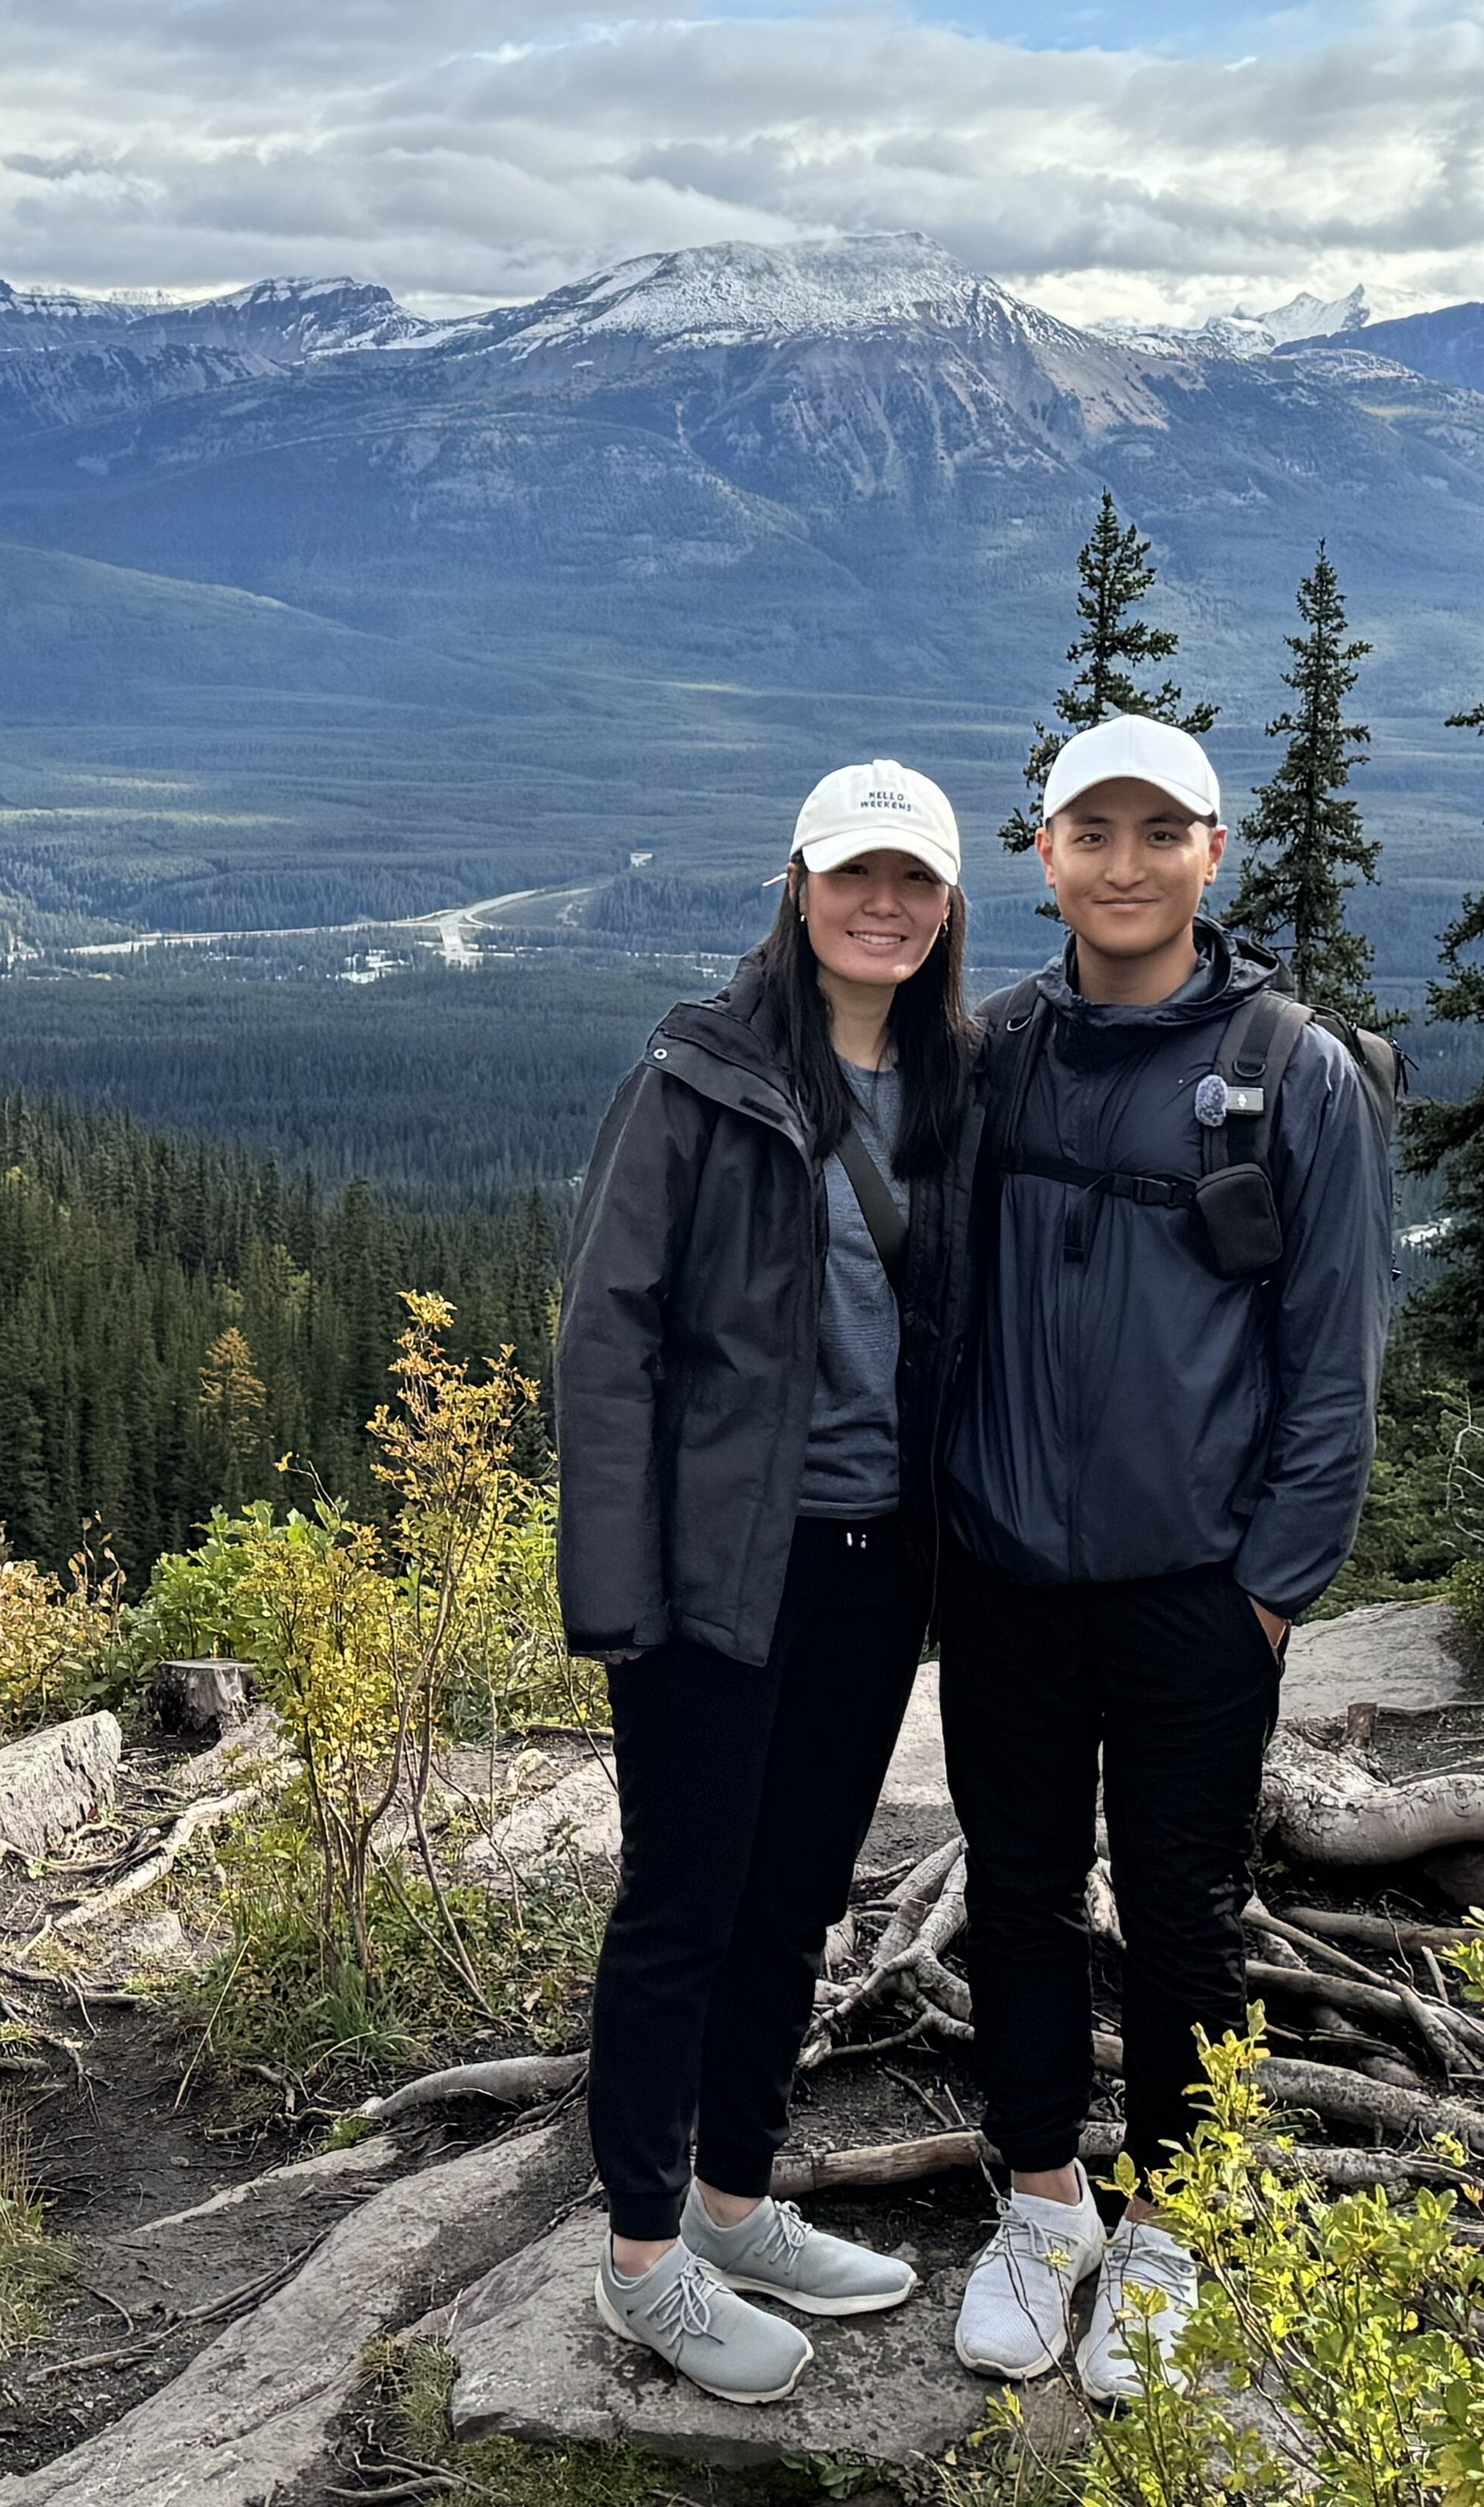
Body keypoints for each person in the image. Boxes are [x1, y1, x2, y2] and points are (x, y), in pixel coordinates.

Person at [939, 713, 1389, 2402]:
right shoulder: (990, 1056)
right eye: (1089, 835)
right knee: (1021, 1893)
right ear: (1044, 858)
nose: (1122, 867)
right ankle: (1045, 2202)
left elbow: (1334, 1363)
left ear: (1214, 851)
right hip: (999, 1582)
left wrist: (1273, 1589)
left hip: (1198, 1592)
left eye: (1156, 834)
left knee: (1190, 1917)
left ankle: (1176, 2227)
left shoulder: (1297, 1072)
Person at [554, 757, 990, 2404]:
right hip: (715, 1571)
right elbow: (608, 1344)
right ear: (797, 885)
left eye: (914, 882)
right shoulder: (701, 1076)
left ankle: (736, 2196)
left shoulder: (959, 1084)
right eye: (851, 875)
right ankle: (643, 2260)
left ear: (948, 908)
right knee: (682, 1905)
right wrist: (617, 1594)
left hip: (881, 1564)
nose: (882, 905)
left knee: (798, 1895)